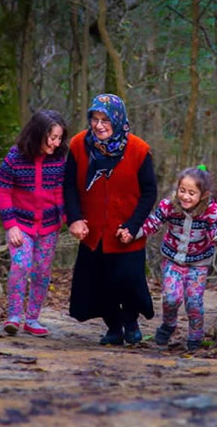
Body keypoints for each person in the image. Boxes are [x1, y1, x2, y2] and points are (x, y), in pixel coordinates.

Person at [63, 93, 158, 345]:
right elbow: (69, 186)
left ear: (118, 120)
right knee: (99, 283)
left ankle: (130, 321)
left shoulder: (139, 150)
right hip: (93, 232)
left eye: (105, 119)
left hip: (125, 232)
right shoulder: (77, 145)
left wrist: (133, 225)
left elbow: (149, 193)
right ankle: (114, 327)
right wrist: (74, 219)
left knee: (127, 280)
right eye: (94, 118)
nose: (99, 125)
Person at [124, 165, 217, 351]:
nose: (185, 197)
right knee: (171, 298)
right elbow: (153, 222)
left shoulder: (211, 210)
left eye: (191, 193)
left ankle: (195, 337)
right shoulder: (169, 206)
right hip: (172, 259)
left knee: (194, 301)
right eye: (182, 191)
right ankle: (169, 324)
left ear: (203, 195)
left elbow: (216, 227)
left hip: (198, 263)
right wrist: (134, 232)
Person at [0, 110, 68, 337]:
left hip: (48, 226)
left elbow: (59, 192)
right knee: (20, 265)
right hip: (20, 225)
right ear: (38, 134)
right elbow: (2, 189)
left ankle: (33, 319)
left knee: (42, 271)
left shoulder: (58, 159)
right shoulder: (14, 158)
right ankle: (14, 316)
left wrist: (69, 220)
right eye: (52, 137)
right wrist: (11, 225)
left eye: (59, 138)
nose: (56, 143)